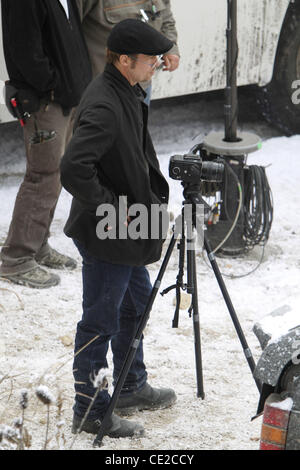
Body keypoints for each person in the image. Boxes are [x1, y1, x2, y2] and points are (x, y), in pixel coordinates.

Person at [60, 19, 177, 438]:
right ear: (125, 60)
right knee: (100, 322)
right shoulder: (106, 104)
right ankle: (89, 410)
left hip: (126, 235)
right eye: (151, 59)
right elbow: (74, 167)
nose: (158, 64)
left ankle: (129, 384)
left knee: (135, 307)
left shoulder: (125, 89)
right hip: (107, 235)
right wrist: (113, 209)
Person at [0, 0, 92, 288]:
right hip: (45, 102)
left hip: (66, 98)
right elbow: (23, 49)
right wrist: (52, 85)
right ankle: (16, 259)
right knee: (42, 177)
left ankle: (38, 244)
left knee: (57, 174)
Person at [75, 0, 180, 105]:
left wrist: (170, 47)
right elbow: (68, 30)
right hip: (103, 94)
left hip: (142, 88)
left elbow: (165, 14)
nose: (156, 63)